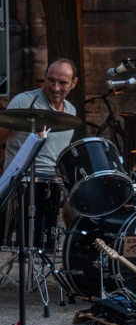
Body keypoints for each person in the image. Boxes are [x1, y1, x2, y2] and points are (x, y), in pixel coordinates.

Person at [4, 58, 80, 226]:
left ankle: (74, 248)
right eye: (51, 80)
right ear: (45, 77)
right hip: (23, 179)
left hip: (55, 181)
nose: (55, 87)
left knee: (80, 201)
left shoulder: (70, 110)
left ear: (74, 83)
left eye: (63, 83)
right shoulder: (24, 102)